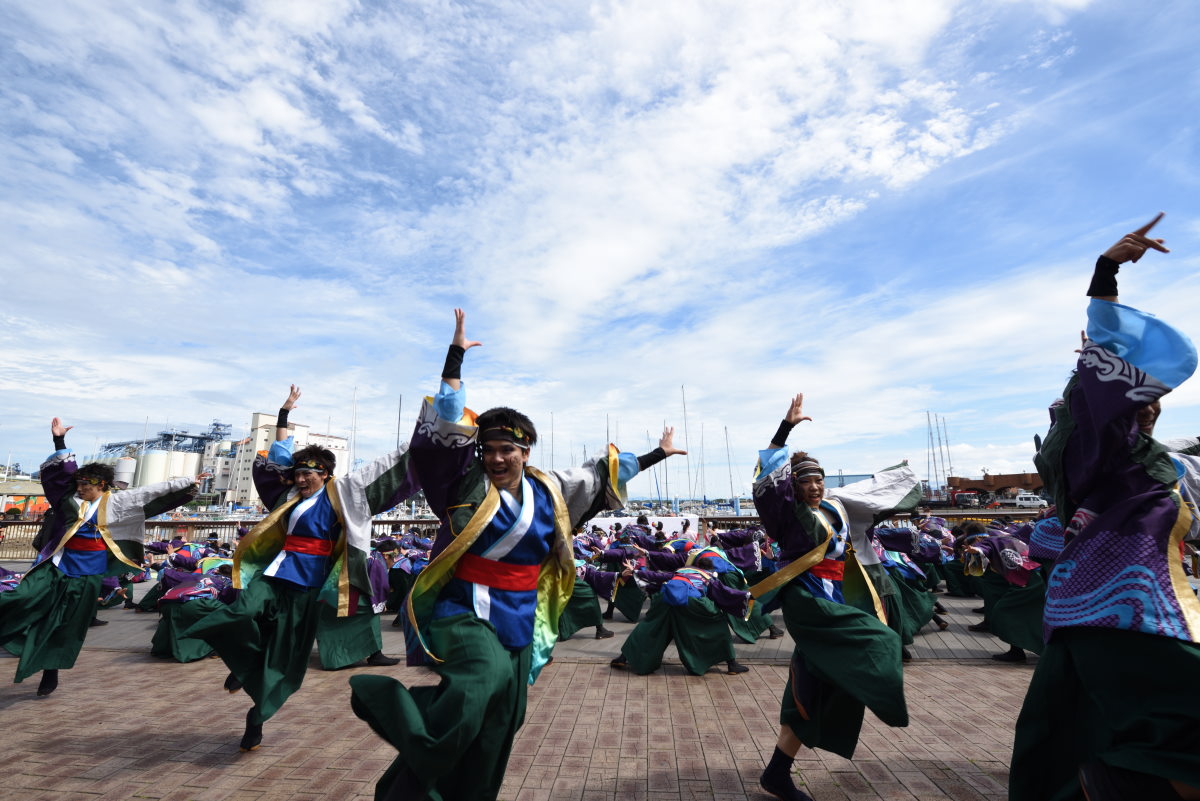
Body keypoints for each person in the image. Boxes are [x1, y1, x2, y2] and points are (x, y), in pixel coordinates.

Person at [349, 308, 686, 801]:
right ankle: (390, 704)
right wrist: (455, 356)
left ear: (526, 451)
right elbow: (446, 423)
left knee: (499, 722)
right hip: (462, 610)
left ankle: (416, 791)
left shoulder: (551, 490)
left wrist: (657, 455)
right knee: (476, 684)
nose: (497, 457)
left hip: (519, 620)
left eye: (508, 448)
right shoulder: (462, 482)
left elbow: (603, 472)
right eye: (489, 448)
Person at [1009, 214, 1200, 801]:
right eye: (1131, 395)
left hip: (1126, 615)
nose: (1145, 403)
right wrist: (1106, 271)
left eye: (1152, 400)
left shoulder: (1164, 468)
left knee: (1082, 735)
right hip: (1125, 615)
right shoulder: (1105, 457)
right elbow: (1102, 383)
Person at [185, 385, 418, 752]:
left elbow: (381, 471)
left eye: (311, 472)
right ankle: (242, 661)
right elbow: (278, 454)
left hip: (308, 586)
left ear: (326, 474)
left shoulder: (339, 497)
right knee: (241, 610)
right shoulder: (286, 497)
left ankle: (256, 717)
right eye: (299, 472)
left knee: (286, 660)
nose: (303, 478)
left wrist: (423, 439)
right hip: (275, 575)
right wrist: (284, 414)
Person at [751, 394, 914, 801]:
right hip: (809, 604)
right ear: (794, 487)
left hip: (834, 601)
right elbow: (765, 483)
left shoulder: (836, 511)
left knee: (817, 690)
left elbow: (874, 506)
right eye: (806, 480)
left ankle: (777, 774)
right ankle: (890, 702)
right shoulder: (789, 516)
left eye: (819, 478)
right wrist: (784, 429)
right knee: (882, 641)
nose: (815, 485)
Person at [0, 418, 201, 696]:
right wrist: (59, 441)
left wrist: (189, 480)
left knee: (68, 625)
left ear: (102, 485)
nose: (80, 487)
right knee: (23, 598)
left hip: (89, 574)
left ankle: (50, 670)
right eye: (79, 483)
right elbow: (61, 472)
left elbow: (151, 491)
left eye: (86, 484)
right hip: (57, 566)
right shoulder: (68, 500)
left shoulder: (117, 503)